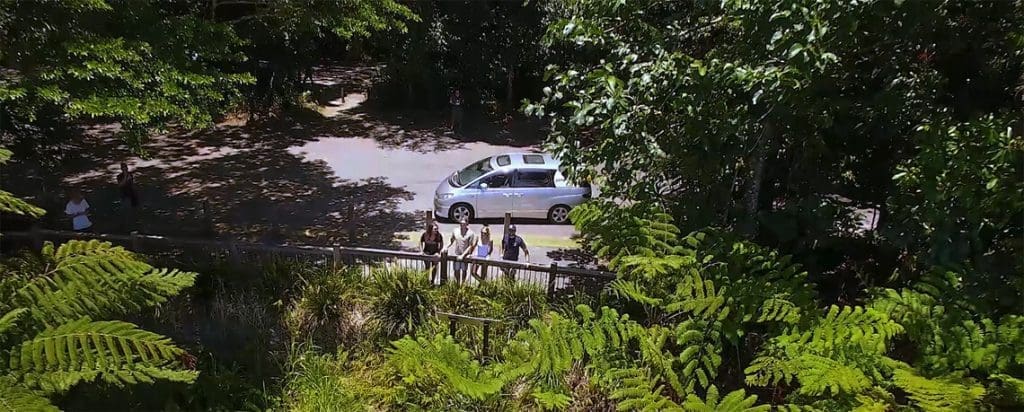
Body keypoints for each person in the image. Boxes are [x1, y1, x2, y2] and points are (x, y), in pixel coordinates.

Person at [448, 218, 477, 284]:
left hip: (465, 255)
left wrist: (463, 255)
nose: (462, 225)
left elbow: (470, 246)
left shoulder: (470, 233)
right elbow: (451, 240)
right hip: (457, 254)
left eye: (464, 224)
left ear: (467, 224)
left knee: (464, 270)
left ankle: (463, 284)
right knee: (456, 270)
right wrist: (446, 247)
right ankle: (458, 283)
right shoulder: (455, 230)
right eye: (461, 223)